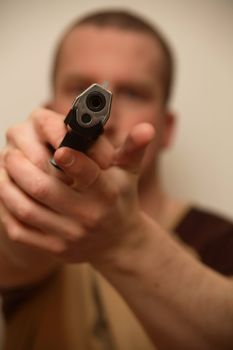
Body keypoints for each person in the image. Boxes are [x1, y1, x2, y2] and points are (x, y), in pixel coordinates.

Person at [0, 9, 233, 350]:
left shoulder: (218, 238)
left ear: (167, 129)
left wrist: (125, 241)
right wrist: (27, 203)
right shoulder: (27, 221)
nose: (105, 120)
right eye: (81, 89)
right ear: (51, 109)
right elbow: (12, 258)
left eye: (134, 93)